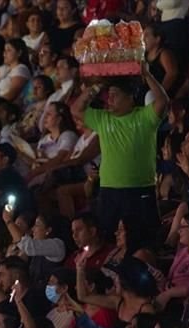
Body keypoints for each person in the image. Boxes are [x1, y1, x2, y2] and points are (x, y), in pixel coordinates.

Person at [72, 63, 169, 237]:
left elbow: (163, 101)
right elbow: (76, 109)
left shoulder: (144, 116)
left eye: (114, 96)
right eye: (107, 96)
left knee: (146, 237)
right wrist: (98, 85)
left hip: (140, 189)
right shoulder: (103, 118)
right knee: (108, 237)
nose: (109, 100)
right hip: (109, 190)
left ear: (130, 97)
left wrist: (146, 74)